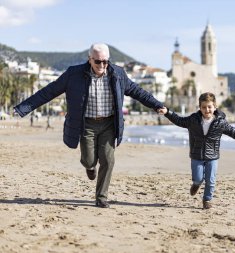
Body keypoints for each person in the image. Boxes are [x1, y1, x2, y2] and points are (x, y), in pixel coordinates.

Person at [14, 43, 166, 208]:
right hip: (87, 124)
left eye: (105, 62)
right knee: (88, 160)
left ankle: (101, 197)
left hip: (109, 123)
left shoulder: (118, 74)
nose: (101, 65)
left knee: (108, 160)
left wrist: (157, 104)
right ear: (89, 59)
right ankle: (90, 166)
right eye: (97, 61)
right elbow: (49, 91)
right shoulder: (74, 74)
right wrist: (24, 108)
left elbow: (138, 91)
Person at [161, 92, 235, 209]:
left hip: (213, 155)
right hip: (197, 154)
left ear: (215, 107)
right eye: (204, 107)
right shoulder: (193, 120)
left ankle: (207, 200)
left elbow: (234, 132)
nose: (207, 110)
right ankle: (196, 184)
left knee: (210, 180)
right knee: (198, 178)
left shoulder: (220, 122)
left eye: (209, 107)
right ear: (200, 108)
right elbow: (179, 120)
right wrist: (167, 112)